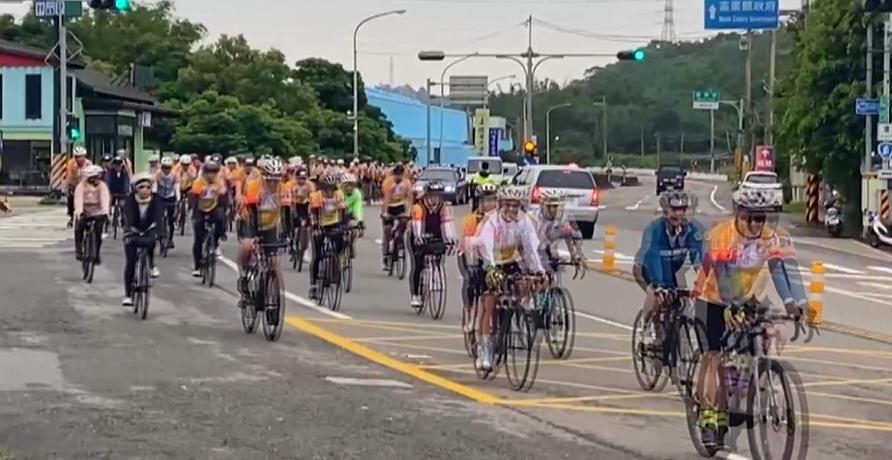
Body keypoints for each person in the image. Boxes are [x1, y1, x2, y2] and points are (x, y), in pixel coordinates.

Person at [691, 188, 808, 449]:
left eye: (761, 219)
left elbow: (780, 271)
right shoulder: (722, 235)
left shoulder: (769, 238)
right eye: (751, 218)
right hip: (711, 298)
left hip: (745, 298)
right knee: (713, 356)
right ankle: (710, 418)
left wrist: (794, 304)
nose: (756, 224)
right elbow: (722, 276)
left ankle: (741, 389)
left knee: (755, 340)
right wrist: (731, 305)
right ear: (739, 214)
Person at [470, 186, 545, 370]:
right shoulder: (492, 221)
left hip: (510, 261)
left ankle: (521, 307)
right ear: (501, 204)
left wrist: (538, 270)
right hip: (487, 260)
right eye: (509, 205)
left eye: (516, 206)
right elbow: (486, 245)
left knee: (524, 281)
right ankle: (484, 350)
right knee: (490, 302)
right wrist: (492, 268)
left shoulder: (524, 222)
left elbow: (530, 249)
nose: (512, 209)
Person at [632, 190, 705, 347]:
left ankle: (676, 336)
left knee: (682, 300)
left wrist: (703, 282)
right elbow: (653, 259)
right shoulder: (654, 230)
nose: (679, 214)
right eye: (674, 210)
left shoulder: (692, 229)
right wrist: (659, 286)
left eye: (683, 209)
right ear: (665, 211)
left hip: (671, 269)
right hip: (647, 268)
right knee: (656, 296)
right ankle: (647, 329)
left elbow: (698, 259)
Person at [238, 157, 285, 294]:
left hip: (270, 224)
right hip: (250, 221)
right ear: (263, 176)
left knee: (273, 262)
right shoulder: (253, 186)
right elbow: (251, 211)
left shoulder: (283, 188)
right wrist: (254, 237)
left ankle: (269, 293)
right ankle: (245, 275)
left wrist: (287, 232)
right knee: (247, 246)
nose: (273, 183)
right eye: (270, 179)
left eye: (276, 179)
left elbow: (288, 211)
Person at [408, 182, 457, 309]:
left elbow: (447, 224)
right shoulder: (419, 207)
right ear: (426, 196)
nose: (435, 198)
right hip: (417, 234)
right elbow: (418, 224)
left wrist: (450, 239)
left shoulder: (443, 207)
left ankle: (436, 272)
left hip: (435, 235)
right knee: (418, 264)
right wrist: (419, 237)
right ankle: (416, 295)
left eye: (438, 196)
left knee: (440, 252)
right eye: (432, 195)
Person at [459, 182, 498, 333]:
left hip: (494, 257)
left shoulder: (500, 218)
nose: (491, 204)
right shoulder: (471, 220)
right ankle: (470, 313)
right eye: (487, 201)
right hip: (474, 256)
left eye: (493, 200)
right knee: (471, 280)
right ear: (479, 202)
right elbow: (468, 245)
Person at [121, 174, 163, 306]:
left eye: (148, 187)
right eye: (141, 187)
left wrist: (160, 233)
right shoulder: (130, 201)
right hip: (133, 231)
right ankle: (128, 294)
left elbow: (159, 218)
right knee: (131, 263)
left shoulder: (156, 200)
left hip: (149, 230)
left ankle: (150, 265)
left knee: (151, 242)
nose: (145, 190)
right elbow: (128, 219)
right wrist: (129, 231)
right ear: (135, 189)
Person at [308, 173, 345, 300]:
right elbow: (313, 214)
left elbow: (342, 211)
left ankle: (335, 267)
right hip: (320, 224)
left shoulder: (339, 195)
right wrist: (315, 227)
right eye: (326, 188)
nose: (329, 191)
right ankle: (313, 285)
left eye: (331, 188)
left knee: (341, 240)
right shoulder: (316, 196)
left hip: (334, 223)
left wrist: (343, 225)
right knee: (317, 255)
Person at [189, 161, 228, 277]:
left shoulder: (218, 181)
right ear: (204, 173)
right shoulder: (199, 182)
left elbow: (223, 192)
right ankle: (197, 265)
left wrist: (221, 193)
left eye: (214, 172)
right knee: (198, 238)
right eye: (209, 172)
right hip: (200, 209)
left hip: (213, 208)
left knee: (221, 218)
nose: (211, 175)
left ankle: (216, 242)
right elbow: (193, 196)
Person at [73, 165, 110, 264]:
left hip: (98, 212)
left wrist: (105, 213)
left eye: (99, 177)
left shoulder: (102, 186)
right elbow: (78, 200)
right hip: (84, 211)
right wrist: (79, 212)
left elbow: (105, 199)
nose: (99, 179)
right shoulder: (81, 186)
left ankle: (97, 253)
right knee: (79, 227)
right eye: (96, 177)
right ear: (90, 178)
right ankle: (79, 249)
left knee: (98, 232)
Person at [380, 165, 412, 271]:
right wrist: (385, 213)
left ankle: (399, 240)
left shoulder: (407, 183)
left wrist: (409, 212)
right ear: (393, 174)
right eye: (397, 175)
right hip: (389, 207)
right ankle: (385, 255)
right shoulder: (388, 183)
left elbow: (410, 198)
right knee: (387, 231)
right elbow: (386, 199)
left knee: (403, 224)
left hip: (400, 206)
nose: (399, 177)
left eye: (401, 175)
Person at [153, 157, 180, 249]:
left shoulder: (175, 175)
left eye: (168, 168)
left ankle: (170, 239)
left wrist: (178, 199)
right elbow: (154, 187)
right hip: (160, 196)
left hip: (171, 197)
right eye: (164, 167)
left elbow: (177, 187)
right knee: (158, 217)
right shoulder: (158, 174)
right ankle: (158, 233)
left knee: (171, 220)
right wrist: (154, 197)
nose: (166, 170)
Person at [65, 146, 92, 228]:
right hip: (75, 186)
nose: (79, 159)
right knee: (70, 199)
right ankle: (71, 216)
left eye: (81, 156)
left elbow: (92, 175)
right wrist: (68, 186)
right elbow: (69, 176)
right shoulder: (71, 164)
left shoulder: (89, 164)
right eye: (77, 157)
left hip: (86, 186)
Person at [106, 156, 132, 232]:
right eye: (116, 165)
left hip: (122, 193)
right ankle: (107, 217)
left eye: (119, 165)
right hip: (112, 192)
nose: (118, 167)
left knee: (124, 205)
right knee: (107, 201)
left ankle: (124, 219)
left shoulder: (125, 172)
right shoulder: (110, 172)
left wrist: (126, 192)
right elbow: (108, 182)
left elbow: (128, 182)